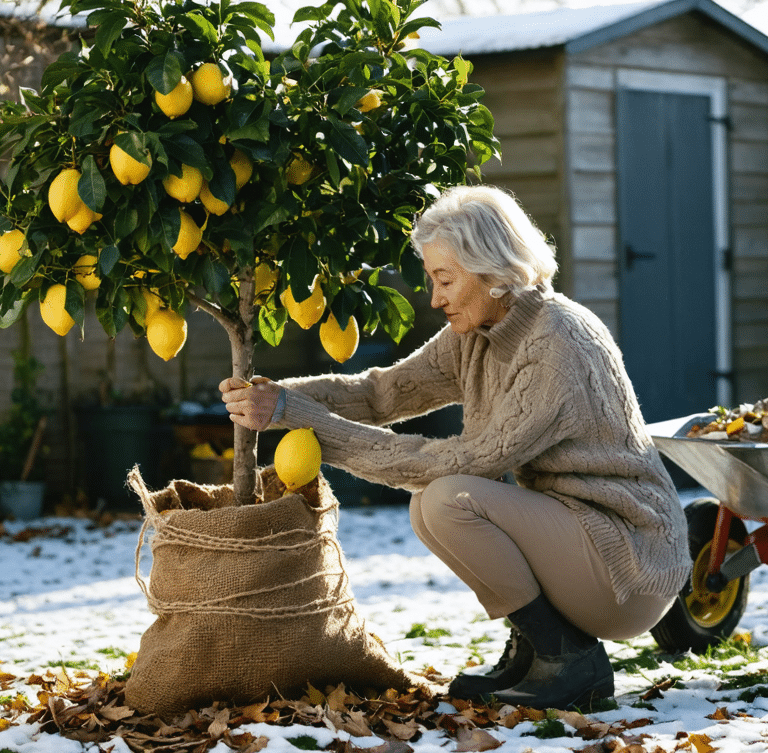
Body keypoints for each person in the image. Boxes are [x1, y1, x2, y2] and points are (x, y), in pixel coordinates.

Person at [220, 185, 689, 709]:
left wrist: (298, 419)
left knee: (446, 499)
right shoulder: (480, 330)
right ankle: (538, 651)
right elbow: (380, 394)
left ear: (493, 272)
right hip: (576, 538)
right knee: (433, 503)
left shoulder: (558, 344)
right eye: (432, 280)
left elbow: (466, 461)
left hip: (630, 563)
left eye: (445, 280)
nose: (435, 298)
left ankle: (570, 658)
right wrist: (278, 396)